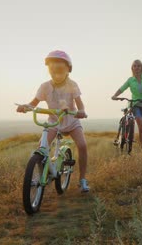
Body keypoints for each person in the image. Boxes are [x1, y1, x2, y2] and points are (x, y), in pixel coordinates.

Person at [16, 50, 90, 192]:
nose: (56, 72)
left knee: (82, 145)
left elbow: (80, 104)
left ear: (67, 70)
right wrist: (26, 107)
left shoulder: (72, 85)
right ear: (49, 70)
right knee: (41, 148)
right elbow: (33, 103)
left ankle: (82, 180)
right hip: (53, 122)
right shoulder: (45, 86)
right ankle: (43, 174)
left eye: (60, 69)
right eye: (53, 69)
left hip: (72, 121)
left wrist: (81, 111)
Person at [111, 59, 142, 147]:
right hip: (136, 105)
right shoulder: (130, 80)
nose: (136, 68)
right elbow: (122, 88)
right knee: (141, 128)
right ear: (132, 68)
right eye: (134, 66)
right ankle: (141, 148)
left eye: (138, 66)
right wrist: (115, 95)